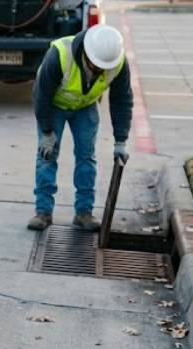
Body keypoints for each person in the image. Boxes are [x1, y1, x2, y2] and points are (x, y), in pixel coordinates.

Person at [29, 24, 133, 232]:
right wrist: (48, 132)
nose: (100, 70)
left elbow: (122, 100)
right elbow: (41, 96)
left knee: (87, 157)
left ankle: (84, 212)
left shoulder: (117, 62)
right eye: (96, 65)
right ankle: (43, 212)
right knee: (47, 157)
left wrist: (121, 140)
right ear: (86, 52)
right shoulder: (59, 55)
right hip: (54, 106)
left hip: (85, 107)